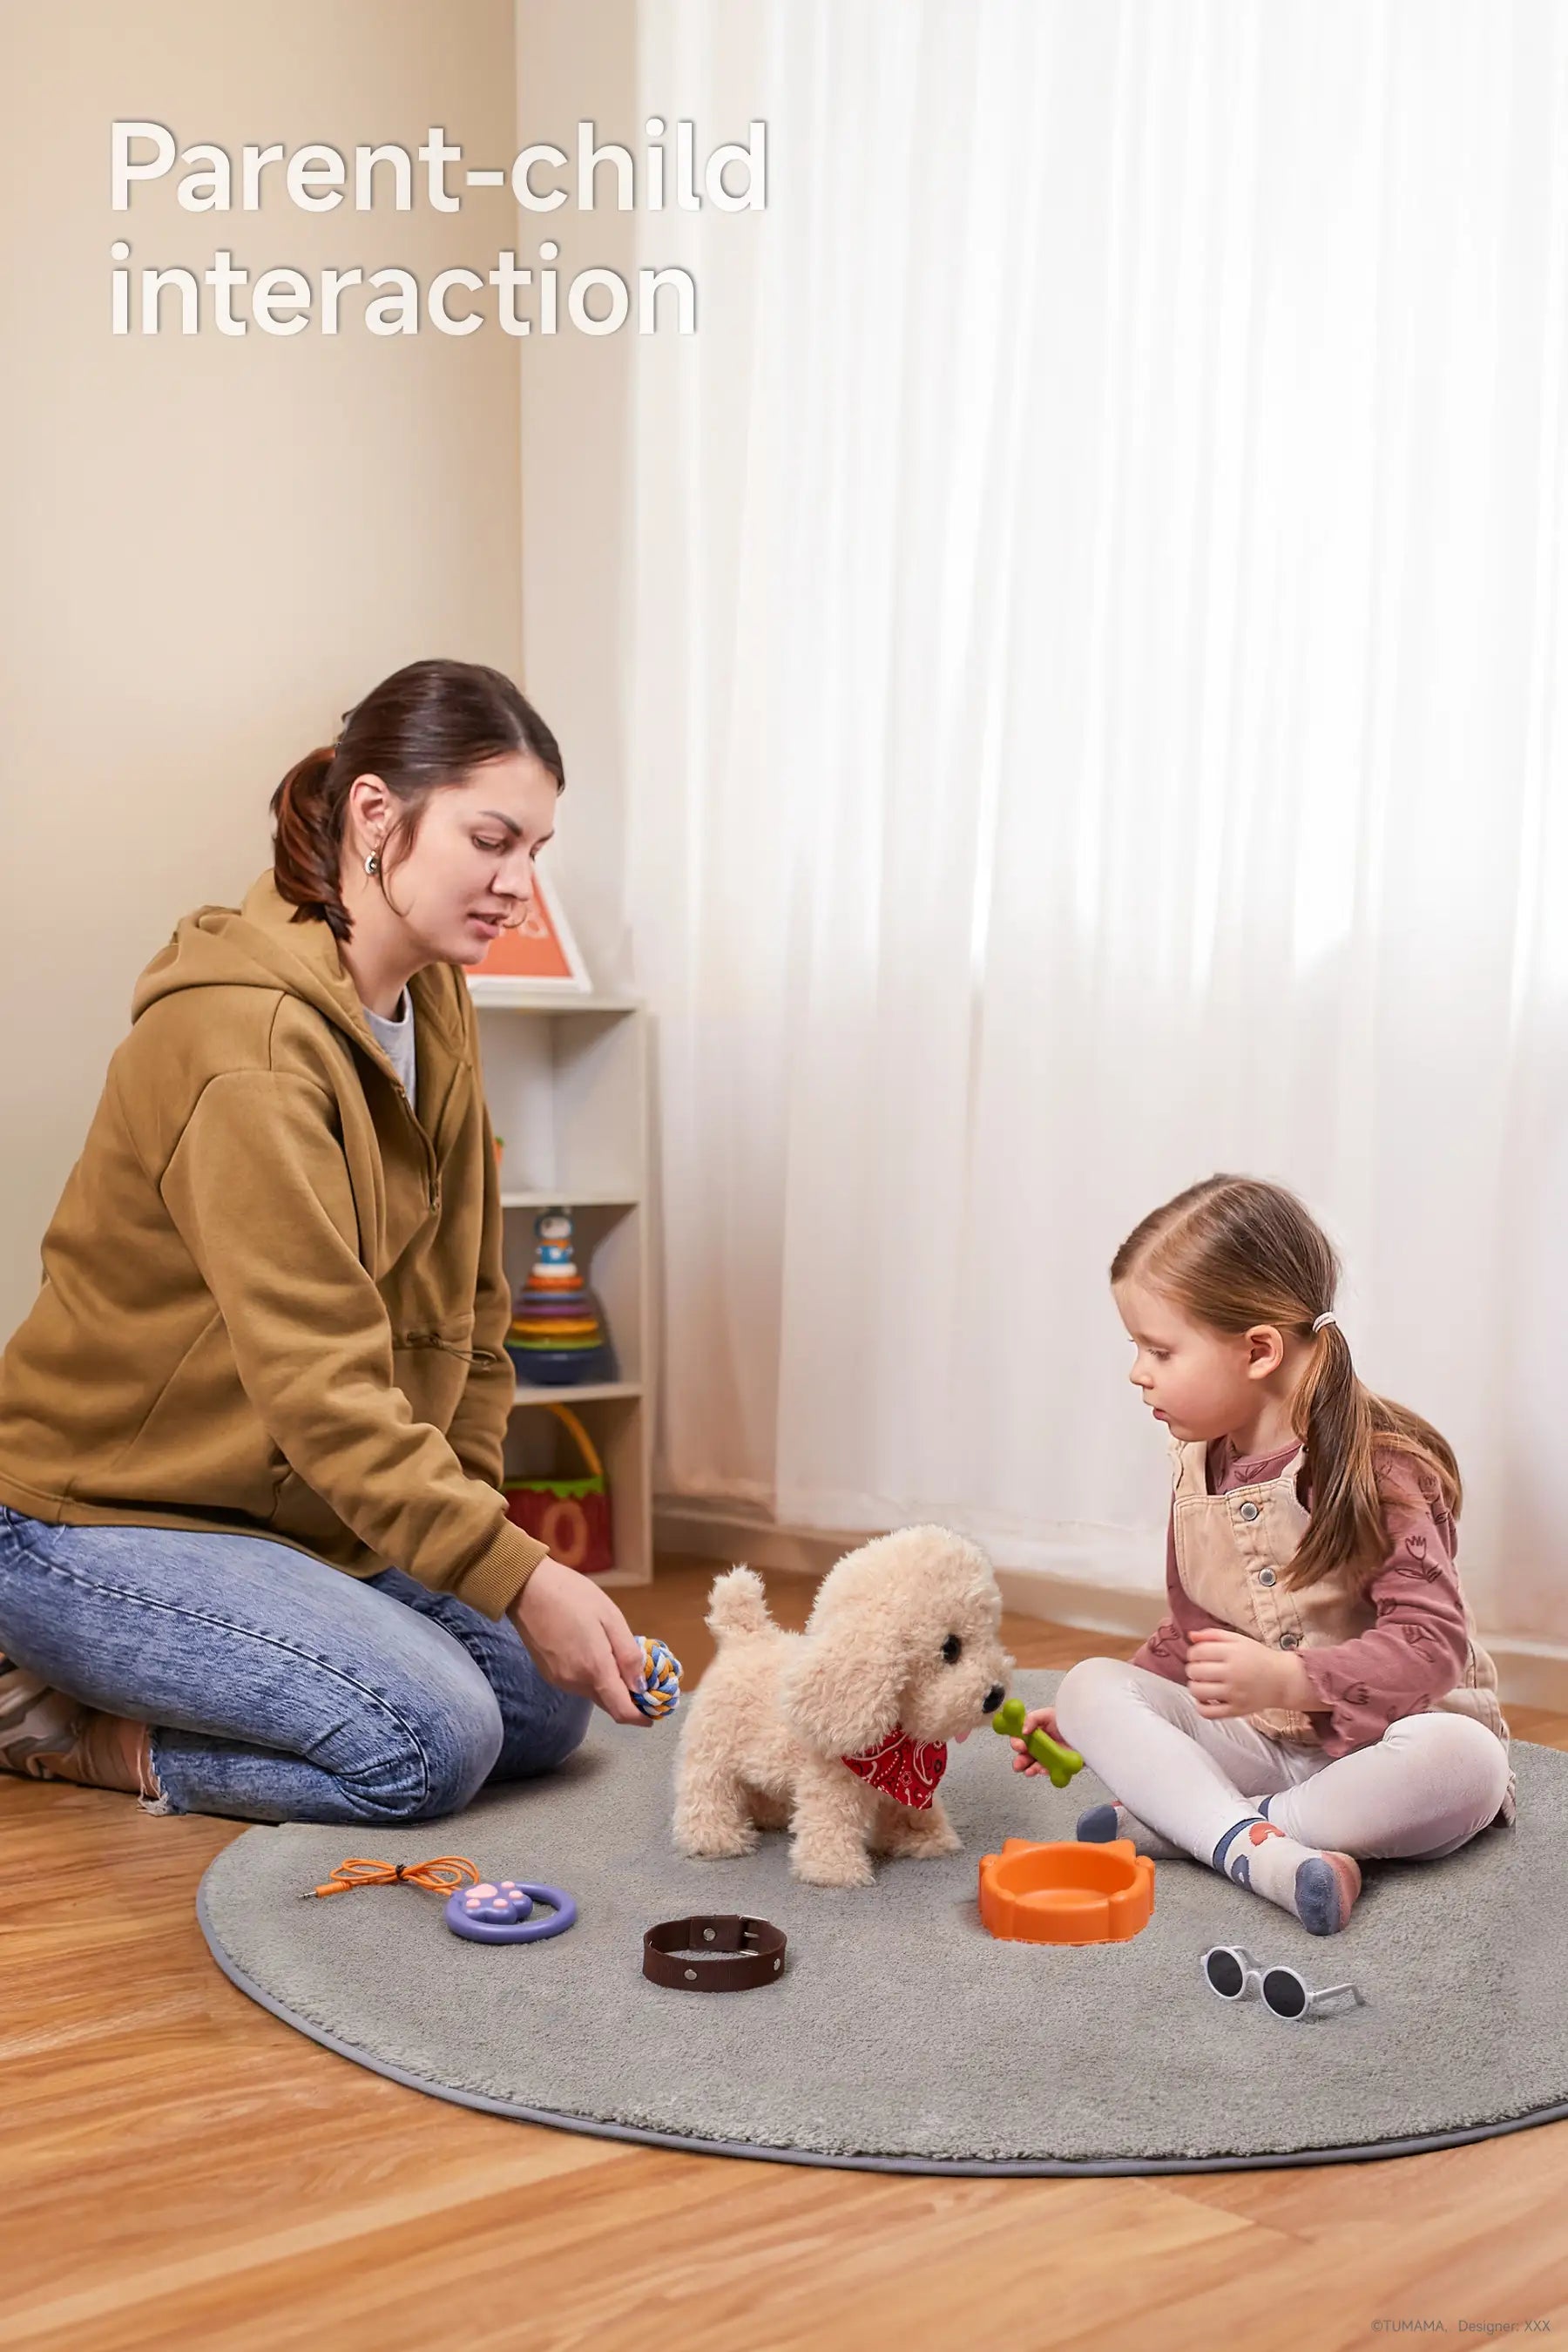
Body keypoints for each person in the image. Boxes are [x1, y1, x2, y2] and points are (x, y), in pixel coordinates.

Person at [0, 658, 650, 1824]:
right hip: (92, 1520)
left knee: (548, 1709)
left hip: (288, 1510)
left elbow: (472, 1318)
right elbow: (323, 1391)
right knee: (430, 1744)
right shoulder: (243, 1047)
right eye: (492, 840)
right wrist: (514, 1576)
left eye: (535, 854)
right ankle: (70, 1732)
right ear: (376, 813)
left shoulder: (431, 999)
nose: (518, 887)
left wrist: (497, 1552)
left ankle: (249, 1668)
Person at [1012, 1174, 1512, 1937]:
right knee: (1088, 1687)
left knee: (1467, 1761)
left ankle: (1218, 1830)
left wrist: (1291, 1676)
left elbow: (1431, 1647)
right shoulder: (1195, 1464)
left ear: (1257, 1350)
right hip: (1266, 1741)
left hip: (1384, 1753)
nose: (1137, 1372)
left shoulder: (1381, 1469)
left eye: (1158, 1348)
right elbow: (1193, 1630)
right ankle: (1256, 1842)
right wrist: (1120, 1709)